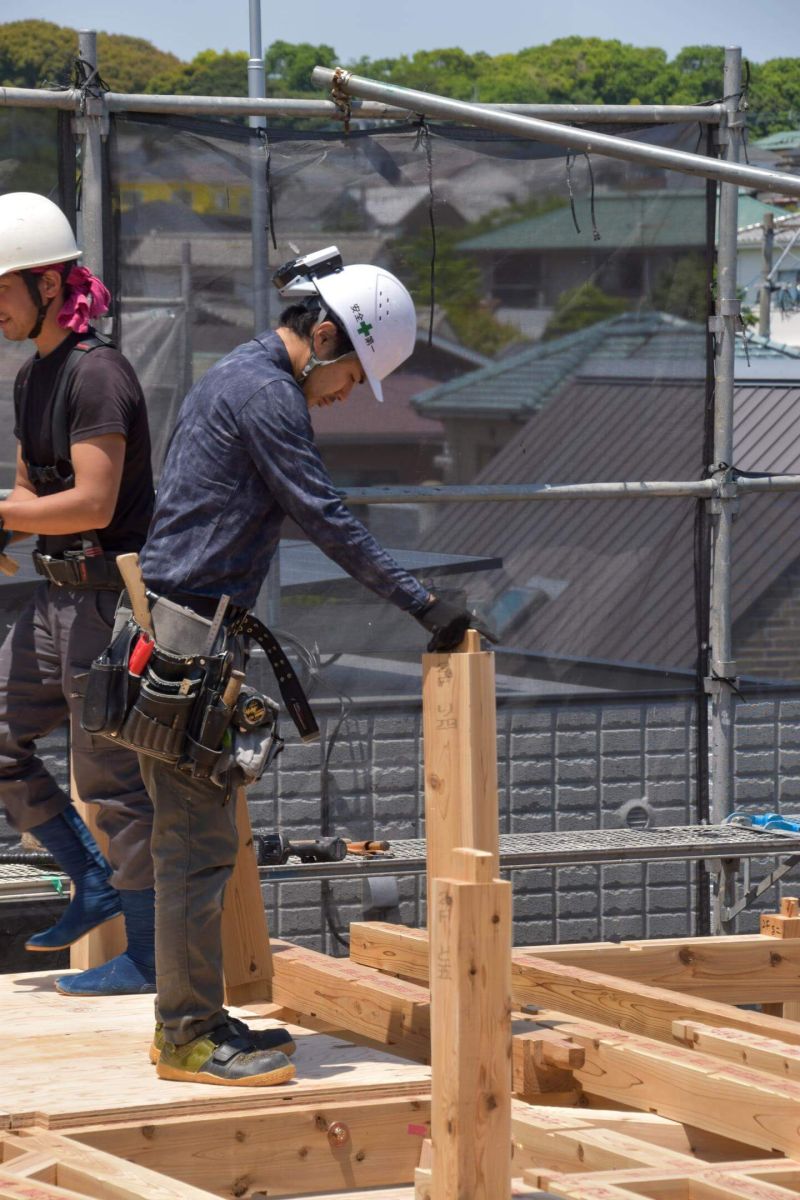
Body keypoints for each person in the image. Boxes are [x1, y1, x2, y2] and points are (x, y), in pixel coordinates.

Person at [136, 250, 485, 1086]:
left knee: (201, 839)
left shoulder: (235, 376)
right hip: (185, 636)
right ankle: (185, 1035)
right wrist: (420, 602)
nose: (340, 399)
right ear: (324, 335)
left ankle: (196, 1021)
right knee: (195, 845)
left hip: (181, 629)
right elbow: (324, 514)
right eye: (350, 378)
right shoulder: (266, 395)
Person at [0, 191, 157, 996]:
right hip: (55, 597)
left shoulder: (99, 375)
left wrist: (5, 514)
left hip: (107, 601)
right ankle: (90, 883)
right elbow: (33, 495)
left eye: (2, 290)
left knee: (112, 782)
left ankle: (151, 960)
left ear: (50, 285)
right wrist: (8, 528)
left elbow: (93, 503)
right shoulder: (33, 380)